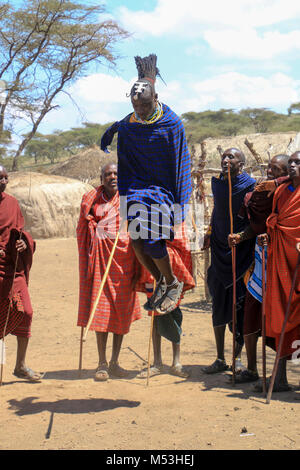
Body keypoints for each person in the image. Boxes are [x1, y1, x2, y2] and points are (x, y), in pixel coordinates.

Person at [101, 54, 192, 315]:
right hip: (139, 190)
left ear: (155, 99)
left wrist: (179, 201)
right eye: (135, 107)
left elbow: (180, 162)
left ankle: (172, 282)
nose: (139, 111)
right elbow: (124, 150)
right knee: (137, 243)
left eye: (143, 107)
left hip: (163, 191)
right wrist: (113, 131)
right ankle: (161, 280)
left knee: (153, 243)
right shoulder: (129, 126)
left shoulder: (171, 123)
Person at [227, 154, 290, 384]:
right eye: (270, 168)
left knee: (284, 318)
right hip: (261, 262)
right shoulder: (259, 194)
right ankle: (252, 368)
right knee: (251, 314)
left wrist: (278, 184)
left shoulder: (289, 194)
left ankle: (280, 375)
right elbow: (256, 227)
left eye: (277, 169)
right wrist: (240, 236)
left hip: (285, 265)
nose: (270, 172)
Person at [76, 163, 142, 381]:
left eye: (116, 173)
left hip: (125, 263)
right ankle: (102, 363)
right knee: (101, 311)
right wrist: (93, 225)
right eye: (108, 174)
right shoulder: (91, 199)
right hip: (100, 262)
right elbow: (83, 226)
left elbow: (138, 228)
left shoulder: (129, 199)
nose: (112, 177)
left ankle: (115, 362)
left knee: (121, 314)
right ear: (101, 178)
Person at [202, 148, 256, 374]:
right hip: (219, 249)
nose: (225, 160)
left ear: (241, 163)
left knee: (239, 307)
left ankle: (237, 358)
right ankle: (219, 357)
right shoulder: (217, 184)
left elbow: (256, 220)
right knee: (218, 305)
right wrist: (210, 230)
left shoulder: (250, 186)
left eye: (231, 157)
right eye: (224, 157)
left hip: (241, 253)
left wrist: (241, 237)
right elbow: (217, 210)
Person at [255, 151, 300, 392]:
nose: (292, 166)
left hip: (299, 265)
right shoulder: (281, 192)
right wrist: (267, 237)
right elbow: (276, 222)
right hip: (283, 265)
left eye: (297, 162)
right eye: (290, 162)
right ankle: (279, 378)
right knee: (283, 318)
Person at [135, 223, 195, 378]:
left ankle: (176, 362)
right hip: (151, 270)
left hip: (173, 266)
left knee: (174, 311)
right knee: (155, 313)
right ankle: (157, 363)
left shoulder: (174, 213)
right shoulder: (145, 212)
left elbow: (182, 242)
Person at [0, 166, 42, 382]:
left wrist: (23, 244)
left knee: (25, 312)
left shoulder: (12, 203)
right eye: (0, 178)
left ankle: (21, 365)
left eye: (6, 178)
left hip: (12, 269)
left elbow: (22, 232)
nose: (4, 181)